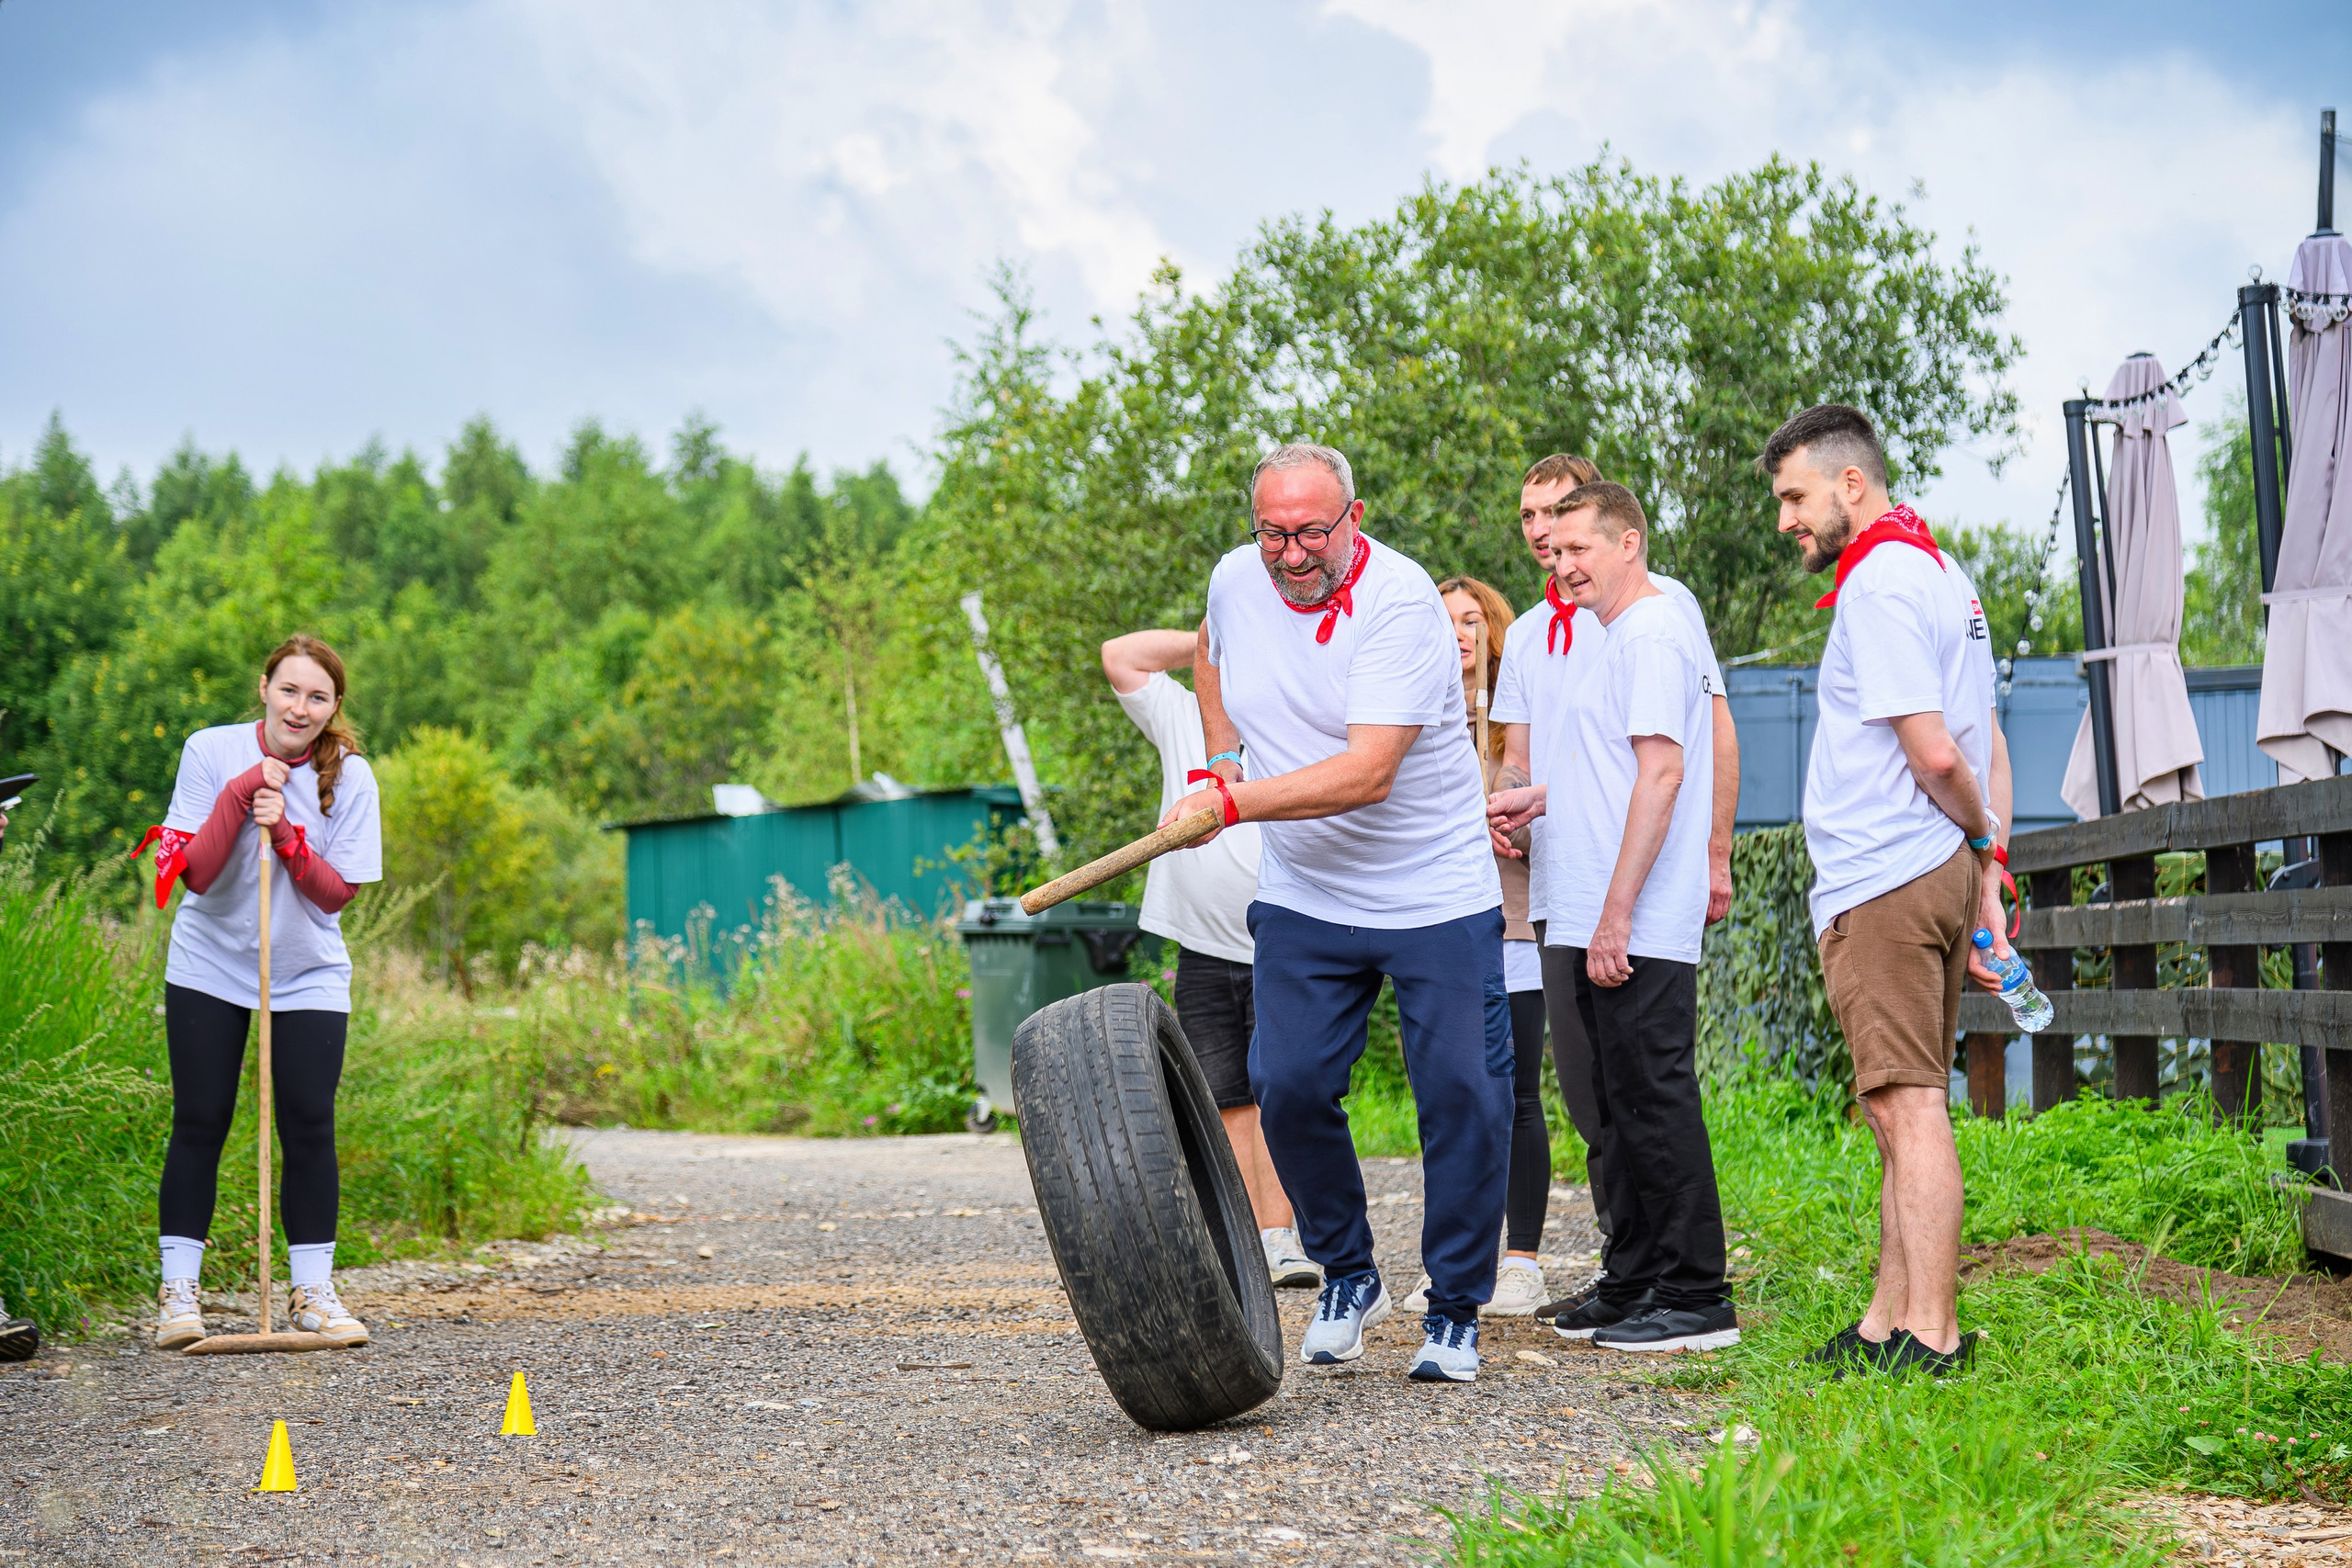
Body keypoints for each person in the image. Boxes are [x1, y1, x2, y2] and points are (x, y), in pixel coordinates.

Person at [1165, 441, 1510, 1384]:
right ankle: (1348, 1275)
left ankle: (1453, 1311)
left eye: (1311, 531)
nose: (1289, 553)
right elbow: (1209, 647)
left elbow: (1366, 773)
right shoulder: (1238, 580)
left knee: (1462, 1100)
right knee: (1286, 1082)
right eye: (1272, 532)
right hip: (1306, 895)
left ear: (1352, 520)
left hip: (1434, 895)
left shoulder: (1400, 605)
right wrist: (1218, 760)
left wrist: (1231, 809)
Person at [1759, 404, 2010, 1376]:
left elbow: (1938, 751)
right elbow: (1984, 737)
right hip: (1928, 871)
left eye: (1793, 497)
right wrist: (1986, 871)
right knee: (1894, 1106)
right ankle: (1884, 1321)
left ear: (1849, 484)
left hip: (1889, 875)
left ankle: (1934, 1337)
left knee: (1907, 1106)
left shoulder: (1881, 582)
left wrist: (1978, 836)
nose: (1786, 520)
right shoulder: (1946, 575)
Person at [1487, 454, 1739, 1333]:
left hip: (1630, 906)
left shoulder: (1658, 628)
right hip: (1578, 887)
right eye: (1551, 543)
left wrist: (1626, 907)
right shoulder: (1597, 633)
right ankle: (1633, 1277)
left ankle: (1697, 1294)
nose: (1559, 554)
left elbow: (1666, 771)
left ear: (1629, 541)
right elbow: (1607, 768)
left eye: (1578, 539)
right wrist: (1535, 796)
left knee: (1654, 1093)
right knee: (1614, 1099)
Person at [140, 635, 382, 1350]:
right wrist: (242, 793)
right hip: (210, 960)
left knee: (308, 1122)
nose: (300, 707)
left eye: (317, 696)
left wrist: (290, 841)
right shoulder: (209, 749)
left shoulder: (354, 778)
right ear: (264, 687)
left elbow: (335, 896)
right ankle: (179, 1293)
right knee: (201, 1118)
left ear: (334, 706)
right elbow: (199, 875)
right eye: (289, 690)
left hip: (306, 969)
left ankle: (312, 1292)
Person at [1101, 626, 1318, 1290]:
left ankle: (1284, 1237)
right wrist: (1214, 634)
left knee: (1278, 1090)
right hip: (1202, 942)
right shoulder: (1181, 713)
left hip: (1282, 935)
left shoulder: (1293, 716)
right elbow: (1120, 655)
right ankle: (1250, 1240)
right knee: (1225, 1096)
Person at [1381, 574, 1546, 1318]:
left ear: (1494, 627)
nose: (1459, 633)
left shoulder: (1519, 717)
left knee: (1516, 1098)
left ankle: (1521, 1262)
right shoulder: (1409, 719)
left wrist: (1510, 819)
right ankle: (1451, 1261)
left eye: (1472, 618)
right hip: (1440, 931)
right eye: (1444, 620)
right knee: (1449, 1097)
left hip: (1513, 933)